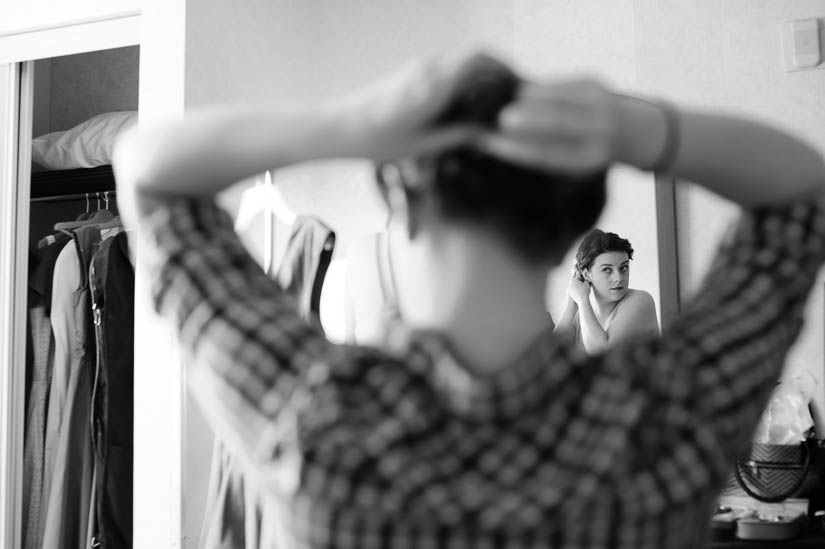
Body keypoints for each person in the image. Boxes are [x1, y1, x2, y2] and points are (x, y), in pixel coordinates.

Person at [114, 53, 825, 548]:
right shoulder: (664, 421)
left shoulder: (315, 422)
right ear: (565, 231)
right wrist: (627, 126)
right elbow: (800, 191)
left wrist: (347, 124)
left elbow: (149, 172)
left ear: (398, 196)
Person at [554, 228, 659, 354]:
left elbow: (601, 354)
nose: (618, 278)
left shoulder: (640, 301)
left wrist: (582, 299)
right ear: (586, 274)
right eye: (607, 270)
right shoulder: (583, 312)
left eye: (623, 268)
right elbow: (552, 355)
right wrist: (571, 301)